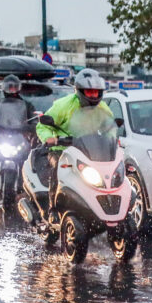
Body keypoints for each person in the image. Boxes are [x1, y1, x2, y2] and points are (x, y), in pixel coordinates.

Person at [36, 68, 111, 223]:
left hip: (88, 150)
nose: (93, 96)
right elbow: (42, 126)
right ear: (80, 91)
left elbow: (110, 128)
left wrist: (113, 140)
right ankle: (53, 209)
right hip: (61, 149)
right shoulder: (63, 105)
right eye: (90, 92)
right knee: (58, 168)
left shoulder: (103, 108)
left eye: (96, 92)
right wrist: (50, 138)